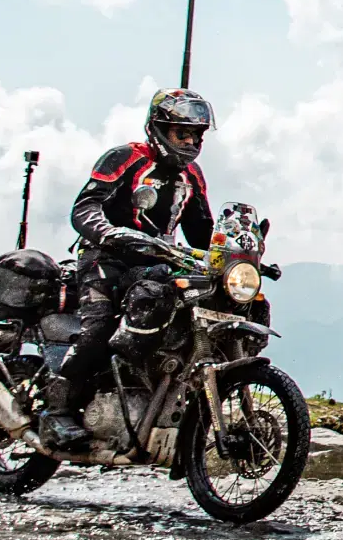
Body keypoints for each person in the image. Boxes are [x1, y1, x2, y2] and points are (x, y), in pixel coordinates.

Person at [38, 89, 215, 450]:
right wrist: (110, 233)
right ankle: (57, 410)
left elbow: (202, 233)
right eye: (183, 132)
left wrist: (236, 251)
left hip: (156, 265)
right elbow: (85, 207)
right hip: (106, 258)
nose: (191, 141)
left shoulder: (192, 176)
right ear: (160, 129)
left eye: (197, 134)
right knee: (100, 325)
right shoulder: (125, 158)